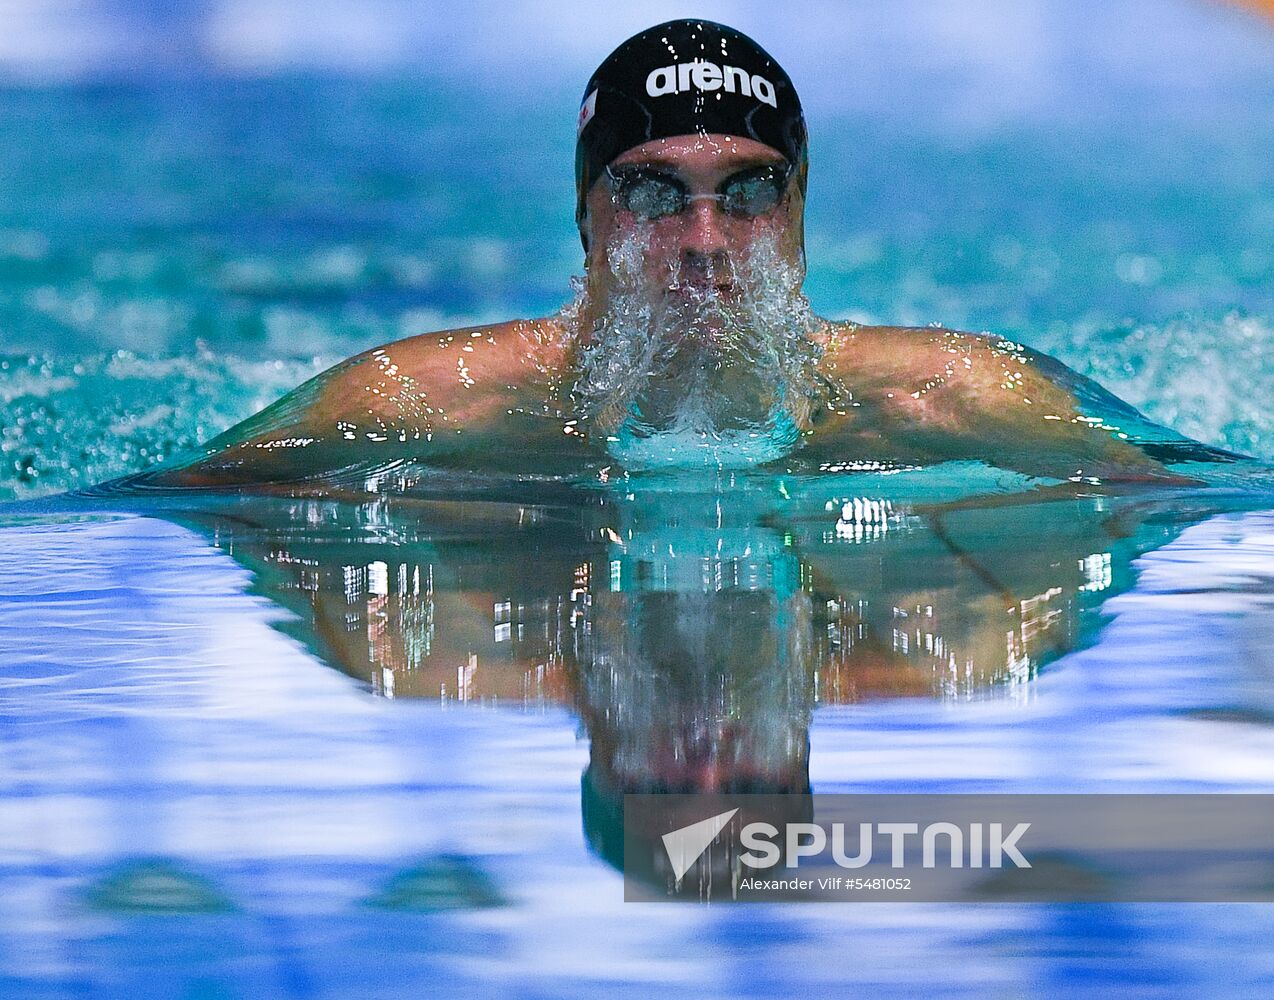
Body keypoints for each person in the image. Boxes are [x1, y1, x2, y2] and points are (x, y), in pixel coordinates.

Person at [140, 19, 1231, 493]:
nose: (703, 243)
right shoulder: (423, 401)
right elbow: (159, 498)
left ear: (800, 218)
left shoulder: (953, 394)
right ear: (586, 220)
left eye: (747, 193)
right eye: (653, 193)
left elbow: (1201, 490)